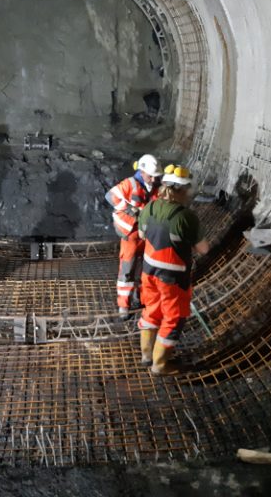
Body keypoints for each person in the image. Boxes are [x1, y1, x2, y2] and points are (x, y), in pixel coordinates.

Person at [136, 165, 210, 376]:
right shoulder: (186, 216)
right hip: (172, 278)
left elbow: (142, 236)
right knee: (173, 318)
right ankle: (159, 365)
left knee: (151, 309)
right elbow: (204, 249)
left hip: (148, 271)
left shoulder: (149, 208)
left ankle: (146, 355)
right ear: (181, 190)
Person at [105, 154, 162, 319]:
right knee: (127, 270)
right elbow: (110, 196)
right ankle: (124, 305)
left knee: (146, 268)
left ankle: (140, 297)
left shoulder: (156, 185)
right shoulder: (130, 184)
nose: (153, 178)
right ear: (142, 171)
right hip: (131, 234)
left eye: (155, 176)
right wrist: (130, 209)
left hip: (147, 233)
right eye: (150, 175)